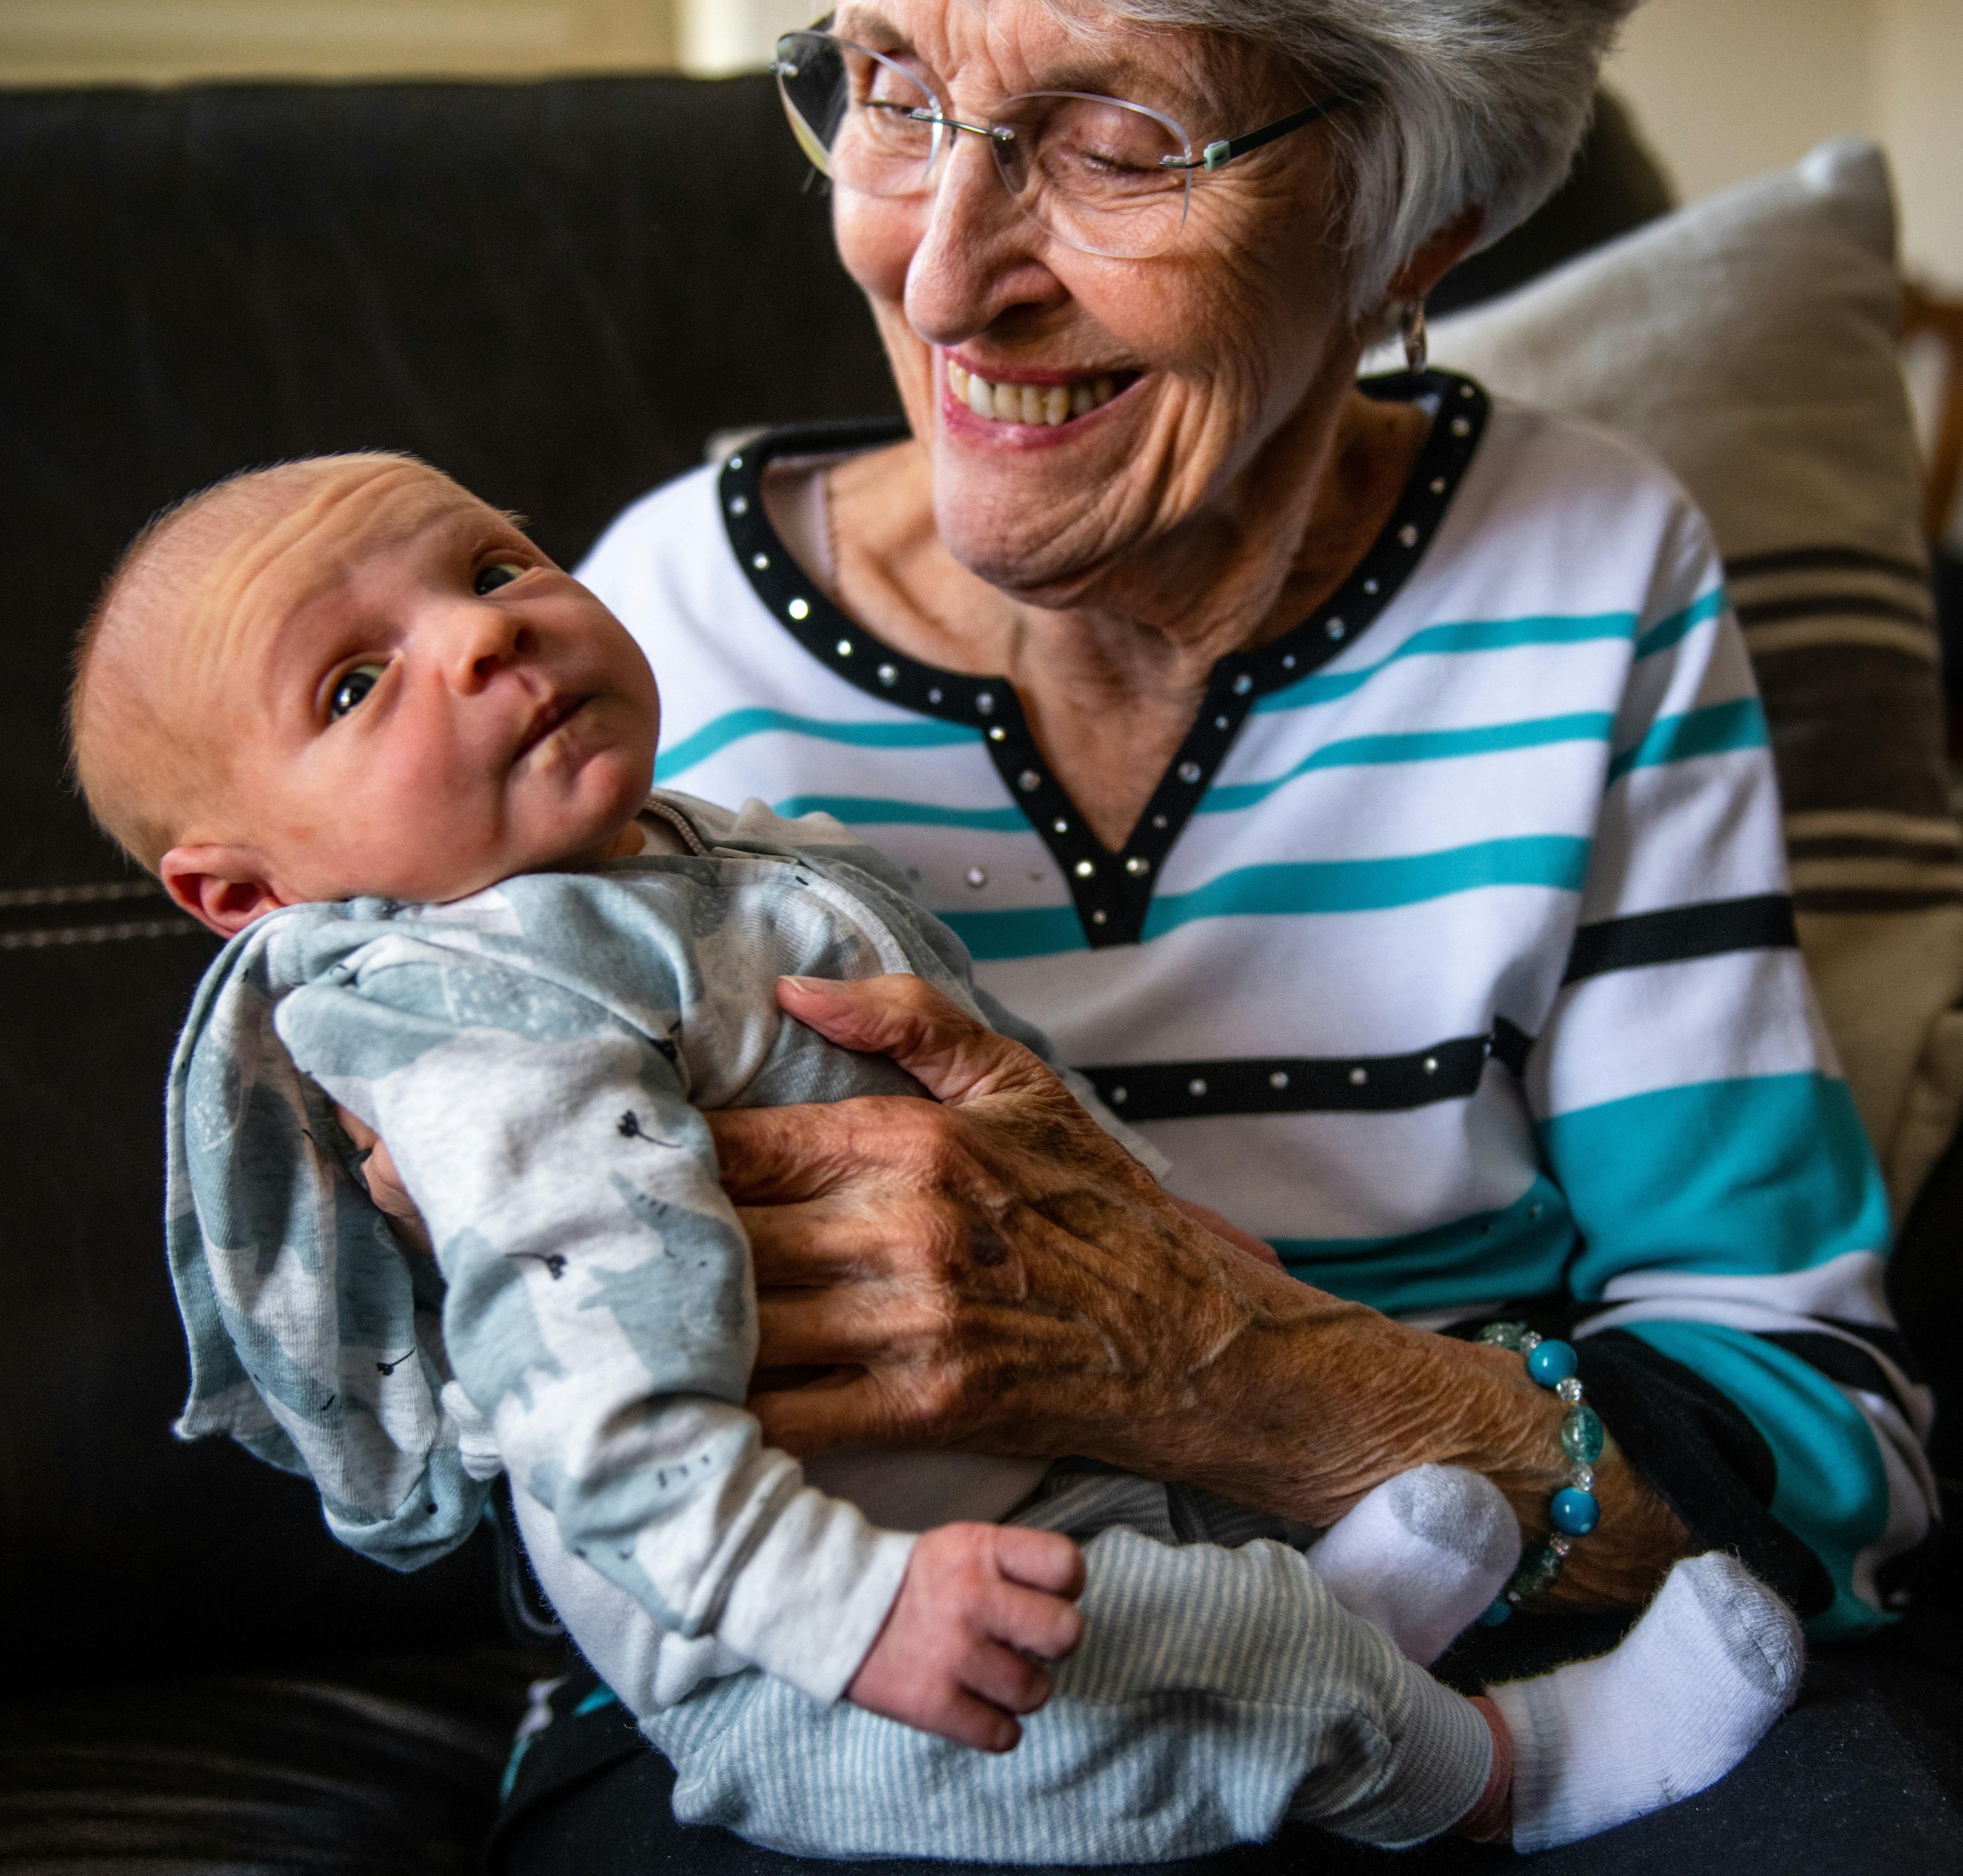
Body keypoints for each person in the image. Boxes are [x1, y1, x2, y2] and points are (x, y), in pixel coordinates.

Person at [548, 0, 1939, 1866]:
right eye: (890, 82)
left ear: (1417, 208)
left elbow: (1815, 1443)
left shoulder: (1585, 572)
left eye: (1114, 135)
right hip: (856, 1689)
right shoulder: (634, 649)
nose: (943, 272)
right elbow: (537, 1434)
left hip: (1500, 1665)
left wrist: (1235, 1377)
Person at [68, 451, 1801, 1860]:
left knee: (1212, 1598)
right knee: (1177, 1674)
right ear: (245, 893)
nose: (481, 635)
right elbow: (591, 1394)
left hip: (1037, 1495)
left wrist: (1180, 1249)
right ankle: (1493, 1773)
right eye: (354, 683)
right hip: (818, 1665)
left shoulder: (692, 862)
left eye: (495, 563)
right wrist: (846, 1610)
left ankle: (1333, 1632)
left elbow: (980, 1076)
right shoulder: (480, 1021)